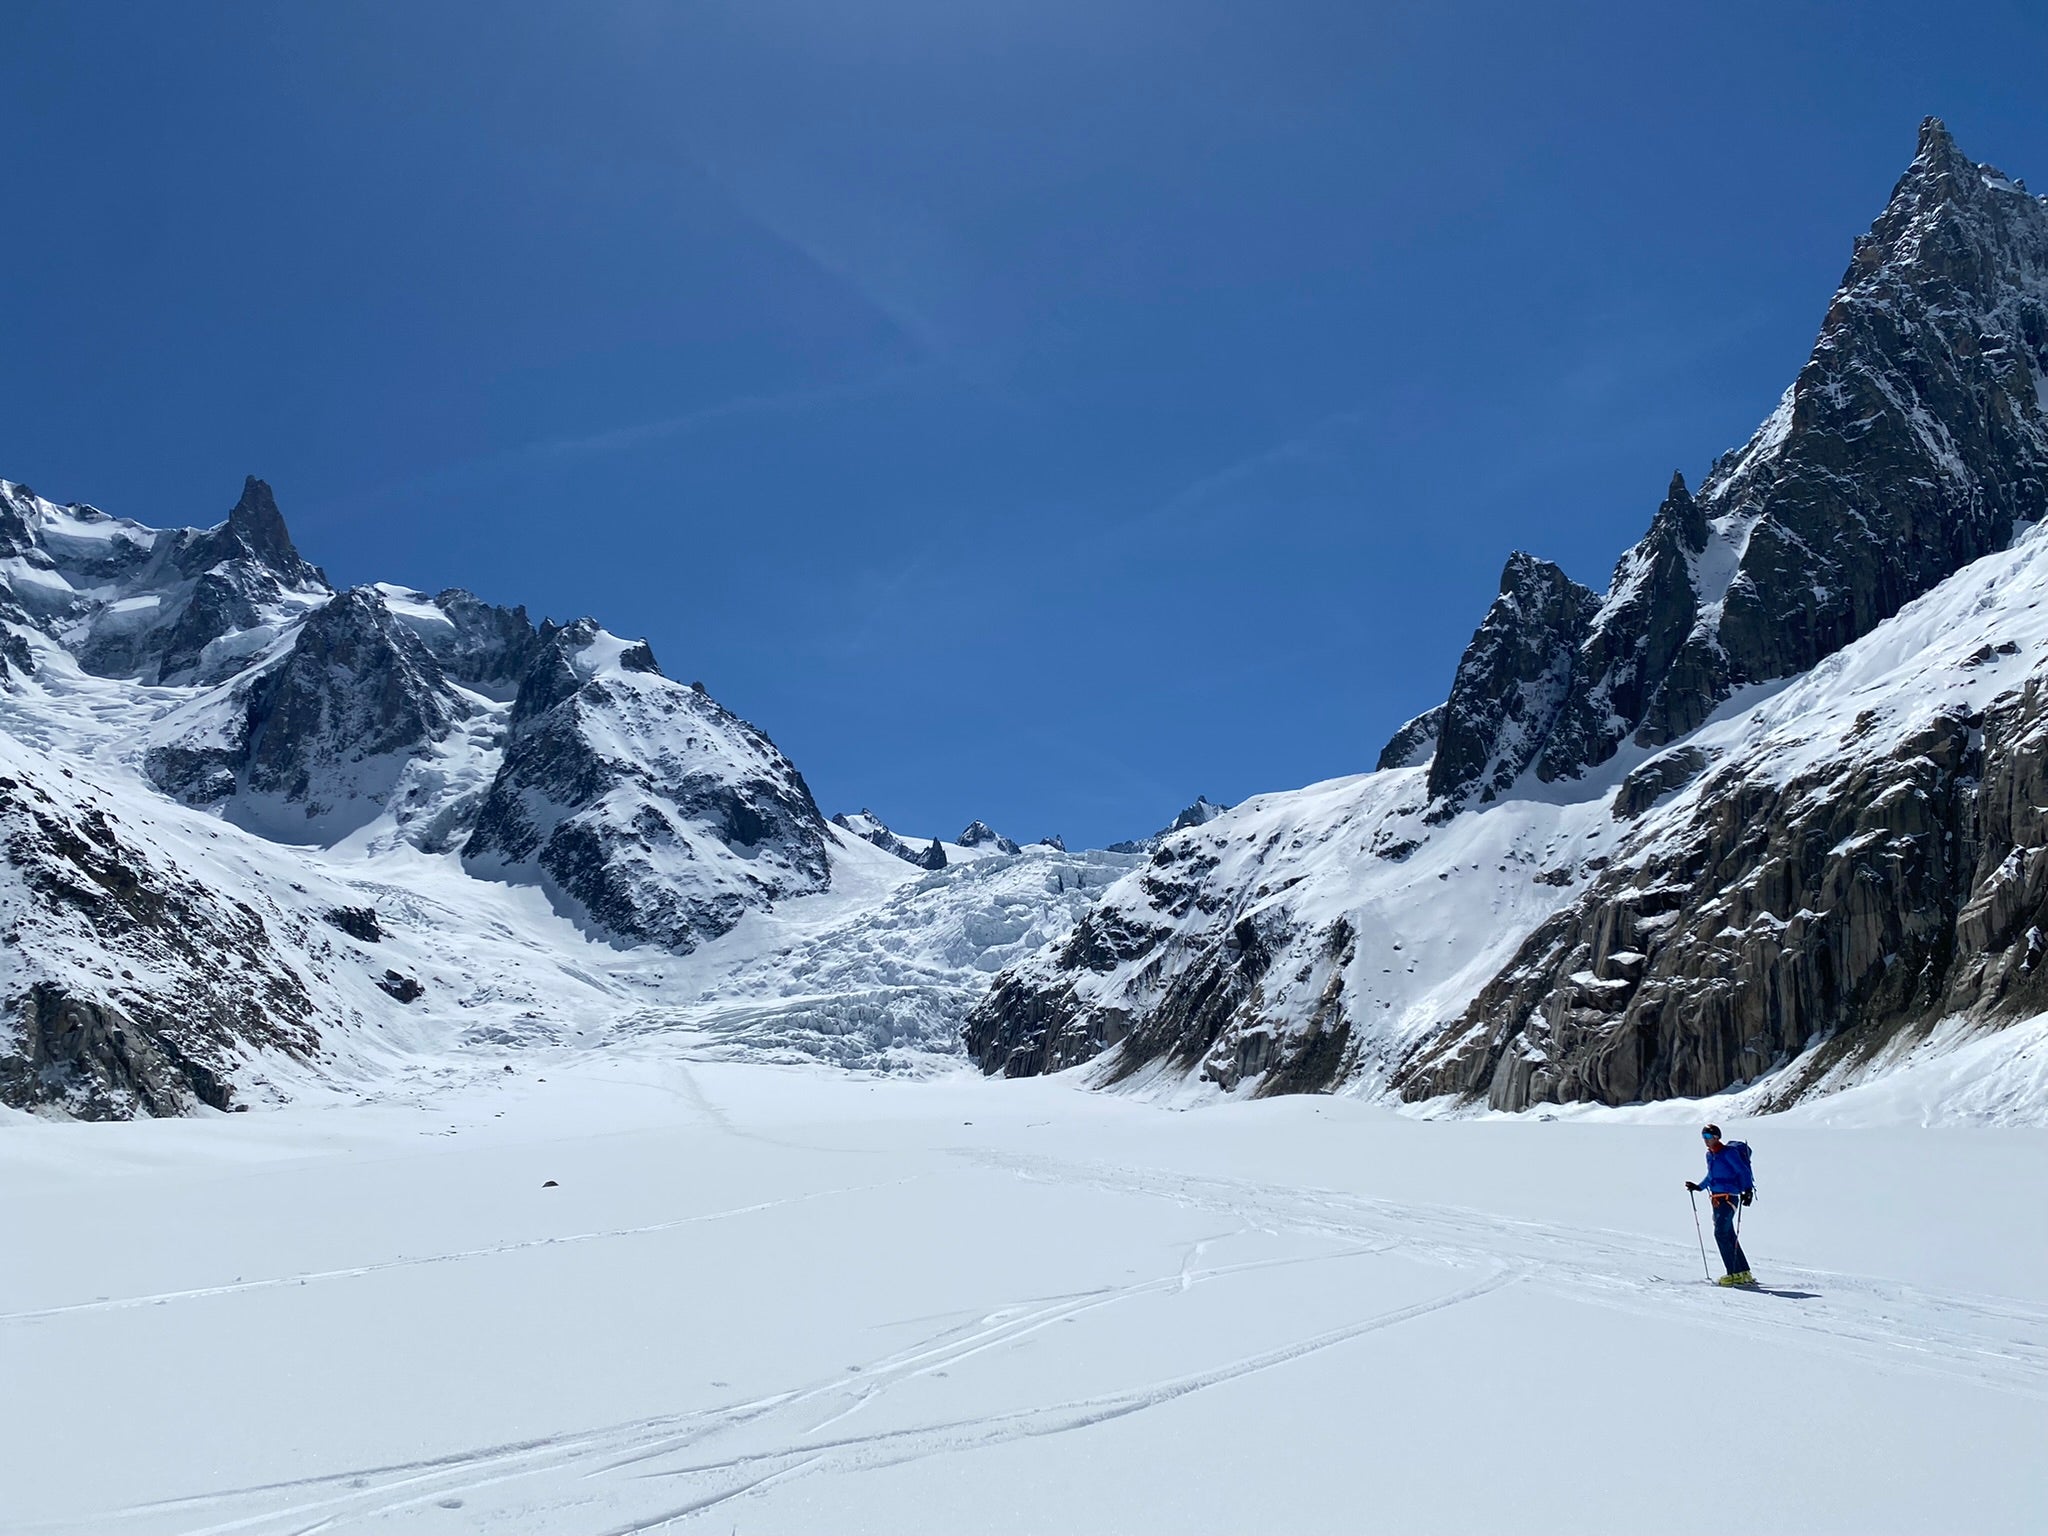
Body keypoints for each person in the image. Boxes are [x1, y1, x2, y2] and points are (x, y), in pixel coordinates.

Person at [1686, 1124, 1755, 1286]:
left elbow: (1743, 1171)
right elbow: (1711, 1176)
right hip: (1716, 1198)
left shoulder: (1728, 1153)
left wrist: (1748, 1190)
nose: (1706, 1141)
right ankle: (1744, 1272)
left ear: (1717, 1137)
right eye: (1704, 1137)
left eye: (1709, 1137)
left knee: (1721, 1234)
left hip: (1728, 1198)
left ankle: (1733, 1274)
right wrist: (1698, 1187)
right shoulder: (1710, 1155)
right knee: (1728, 1234)